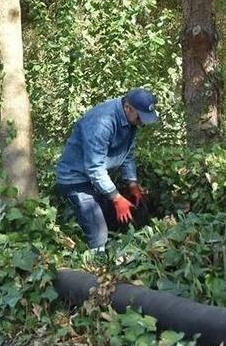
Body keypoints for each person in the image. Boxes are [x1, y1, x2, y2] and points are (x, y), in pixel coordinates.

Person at [55, 88, 158, 251]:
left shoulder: (130, 121)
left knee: (114, 220)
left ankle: (111, 257)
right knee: (99, 233)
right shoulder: (102, 122)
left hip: (96, 179)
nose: (141, 122)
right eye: (140, 118)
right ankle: (96, 263)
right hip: (76, 179)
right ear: (128, 108)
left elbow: (127, 154)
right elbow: (94, 167)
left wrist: (132, 184)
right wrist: (116, 197)